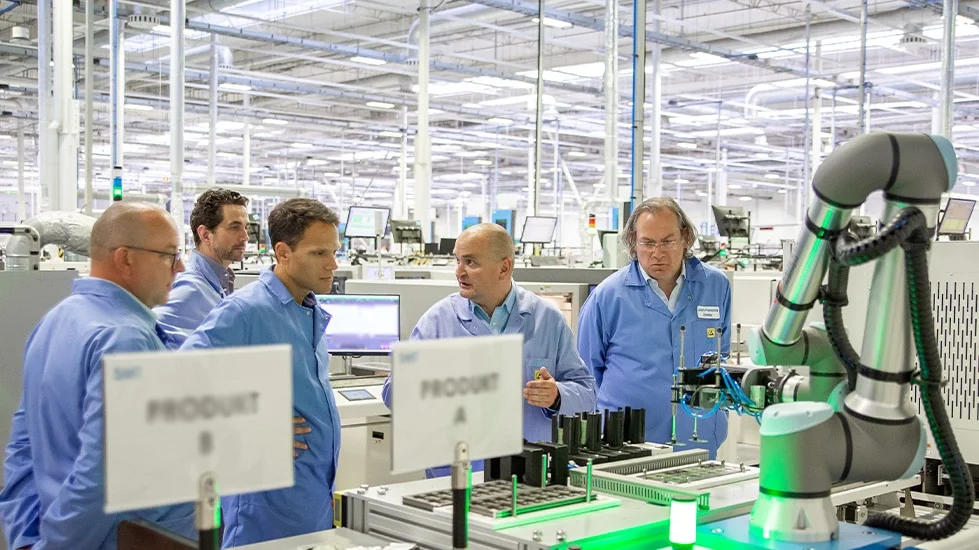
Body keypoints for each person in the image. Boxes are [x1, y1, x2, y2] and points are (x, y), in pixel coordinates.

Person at [0, 202, 194, 550]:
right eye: (168, 254)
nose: (179, 267)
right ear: (125, 259)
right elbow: (105, 476)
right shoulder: (126, 339)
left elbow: (22, 446)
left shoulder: (57, 319)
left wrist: (27, 537)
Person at [181, 198, 341, 546]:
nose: (333, 264)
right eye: (319, 253)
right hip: (264, 516)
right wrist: (248, 427)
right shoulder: (245, 311)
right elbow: (176, 384)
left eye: (334, 251)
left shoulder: (308, 309)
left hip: (312, 505)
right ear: (283, 252)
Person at [381, 223, 597, 476]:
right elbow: (391, 393)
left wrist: (557, 395)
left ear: (504, 267)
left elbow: (587, 394)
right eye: (458, 261)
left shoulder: (547, 320)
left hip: (528, 473)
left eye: (471, 262)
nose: (459, 271)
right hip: (457, 476)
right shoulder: (438, 320)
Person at [577, 197, 732, 458]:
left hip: (699, 440)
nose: (657, 252)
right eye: (647, 243)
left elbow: (722, 356)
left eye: (668, 241)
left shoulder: (716, 286)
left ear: (685, 238)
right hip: (629, 447)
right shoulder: (608, 296)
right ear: (633, 244)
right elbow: (587, 376)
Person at [155, 188, 249, 347]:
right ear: (205, 235)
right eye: (235, 227)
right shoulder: (191, 288)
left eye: (246, 227)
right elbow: (150, 336)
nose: (245, 236)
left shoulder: (217, 282)